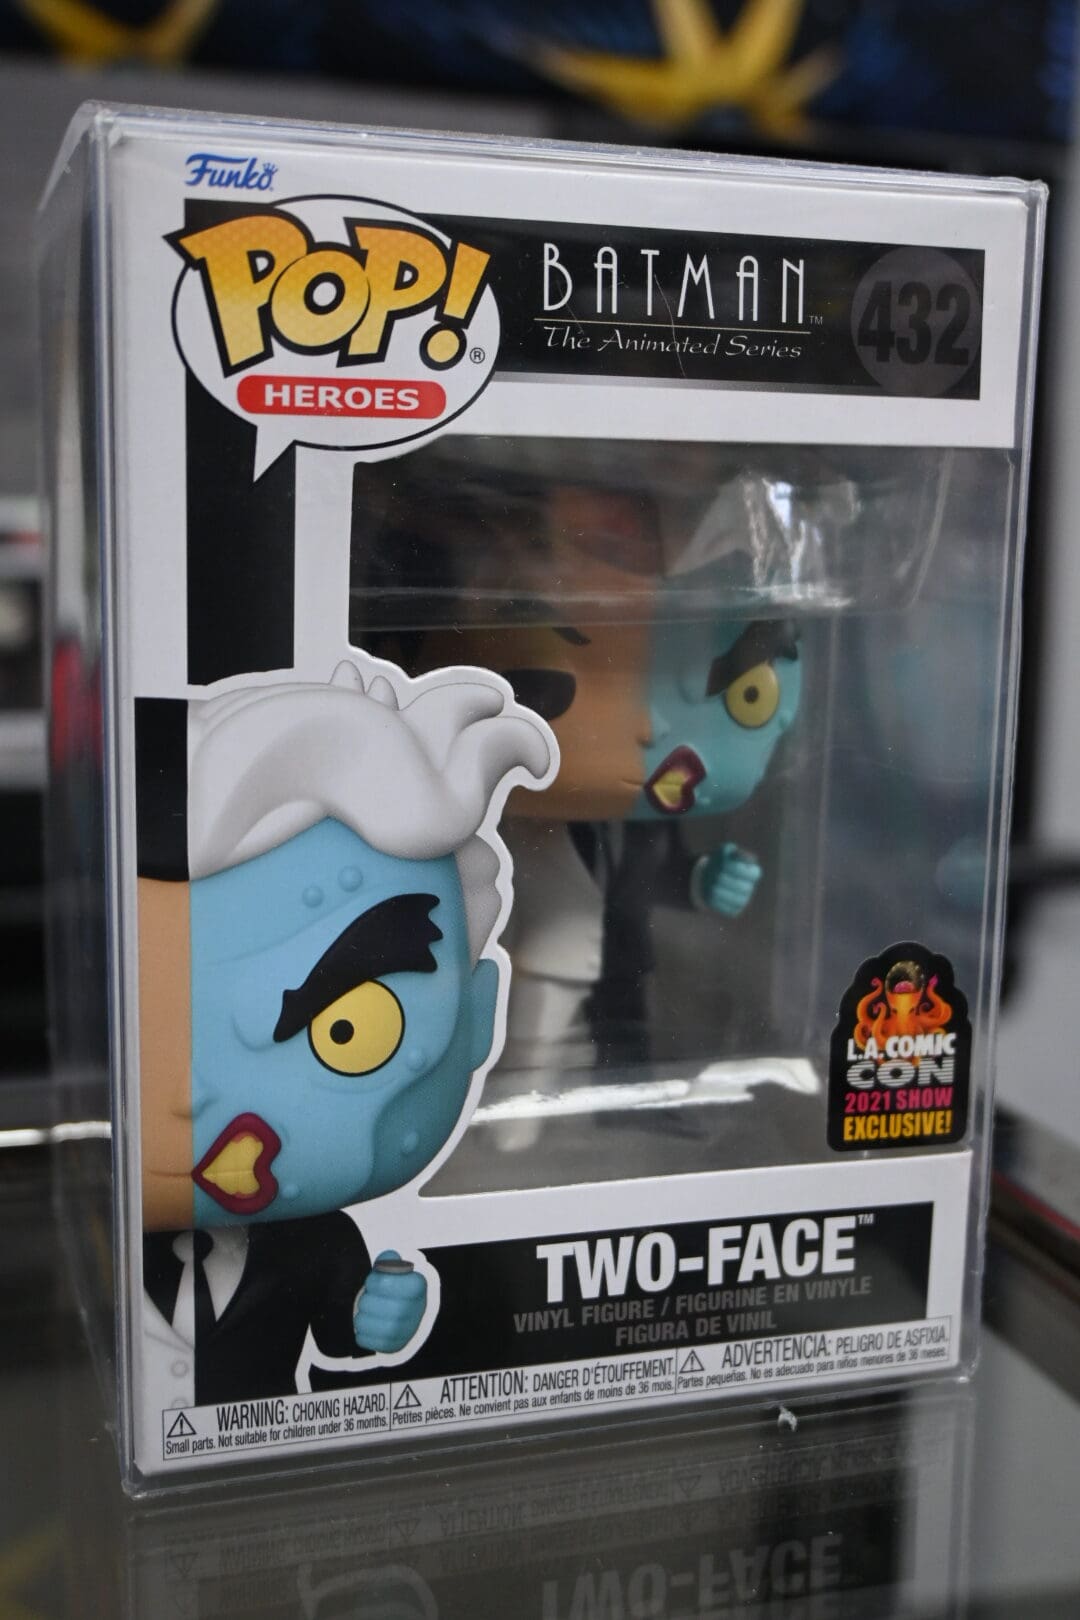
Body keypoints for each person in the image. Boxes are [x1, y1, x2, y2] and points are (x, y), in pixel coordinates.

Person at [137, 655, 555, 1409]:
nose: (186, 1099)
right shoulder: (78, 1234)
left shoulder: (313, 1240)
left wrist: (380, 1314)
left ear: (477, 1018)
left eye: (348, 1030)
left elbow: (347, 1329)